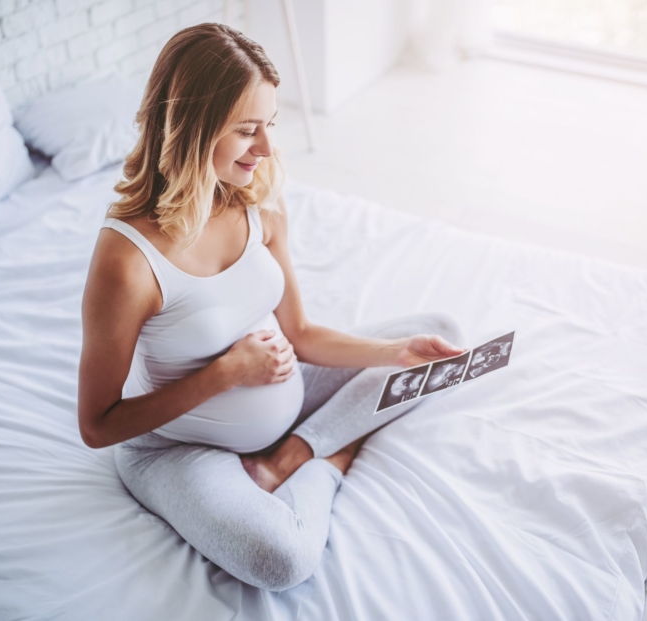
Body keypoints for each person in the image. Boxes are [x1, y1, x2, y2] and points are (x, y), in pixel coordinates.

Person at [77, 23, 466, 592]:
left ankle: (293, 455)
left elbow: (302, 334)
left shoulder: (259, 204)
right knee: (280, 560)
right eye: (246, 131)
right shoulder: (127, 259)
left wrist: (392, 352)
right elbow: (97, 425)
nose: (265, 149)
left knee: (438, 335)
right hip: (179, 447)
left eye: (270, 126)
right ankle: (332, 458)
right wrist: (225, 374)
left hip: (285, 386)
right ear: (193, 129)